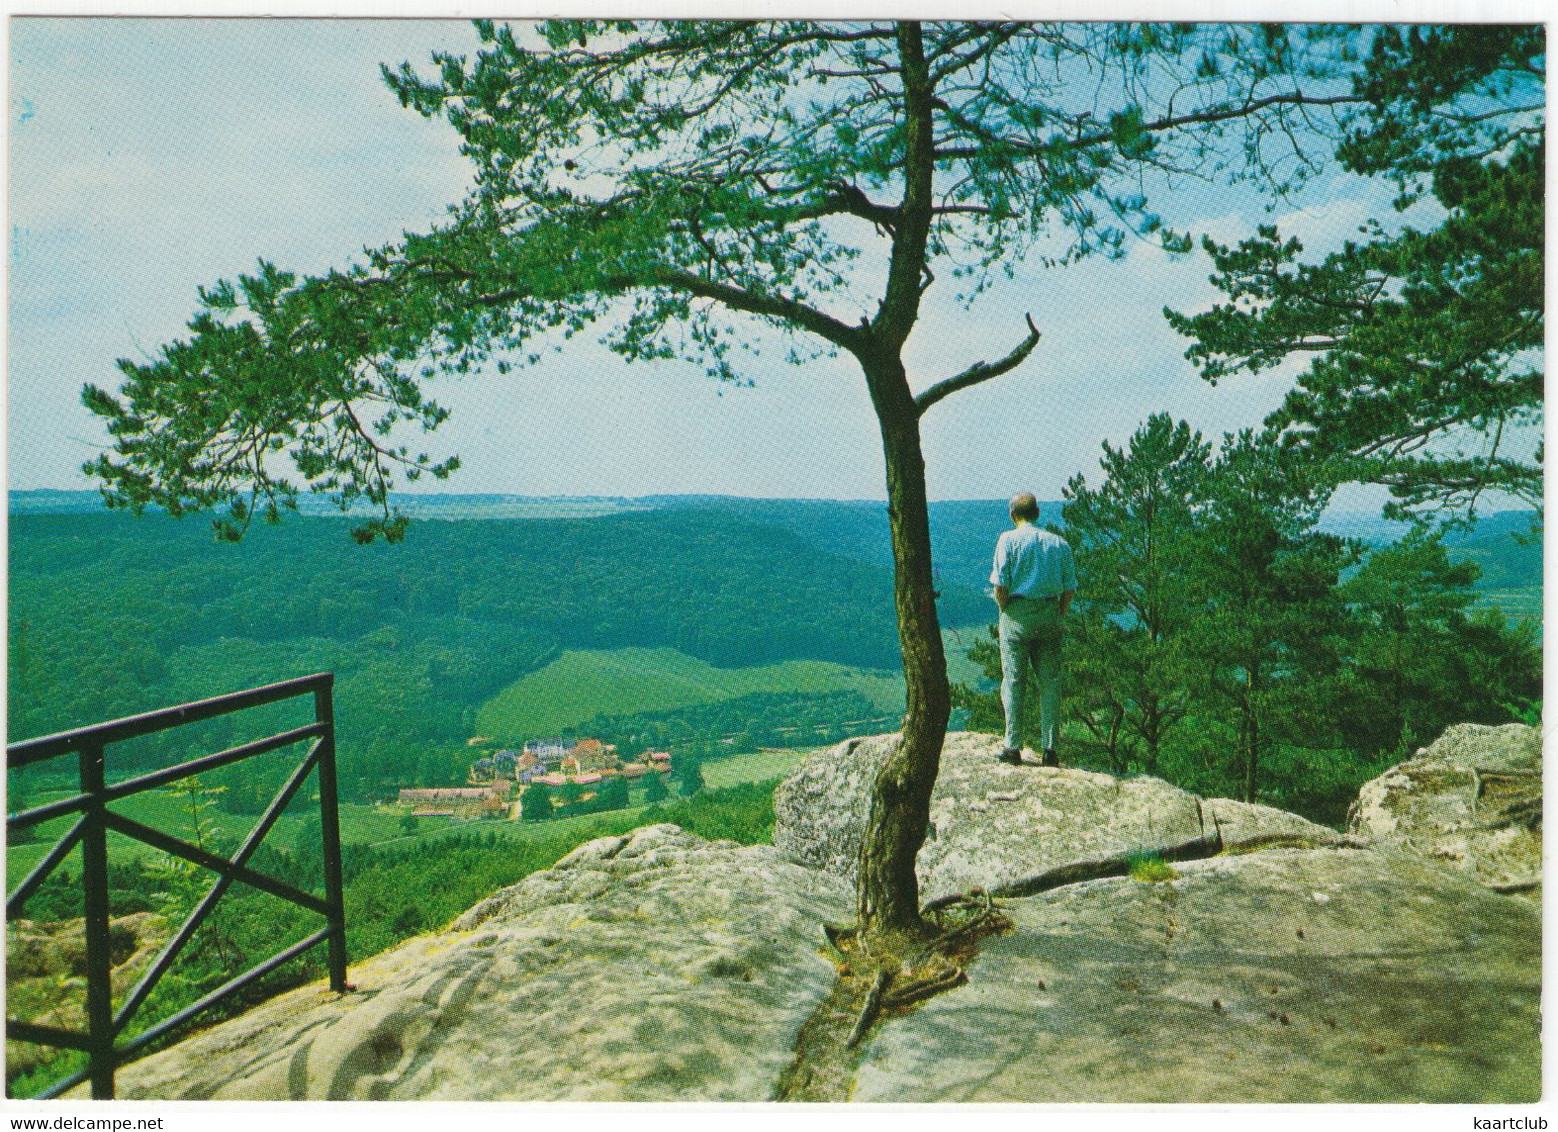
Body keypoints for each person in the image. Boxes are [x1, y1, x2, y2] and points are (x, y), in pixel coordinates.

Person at [990, 492, 1076, 767]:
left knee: (1014, 681)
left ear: (1013, 515)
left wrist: (1006, 610)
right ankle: (1050, 750)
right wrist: (1059, 614)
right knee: (1050, 683)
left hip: (1017, 614)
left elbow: (1000, 584)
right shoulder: (1059, 543)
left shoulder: (1007, 540)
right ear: (1037, 513)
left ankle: (1012, 747)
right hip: (1049, 614)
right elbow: (1069, 587)